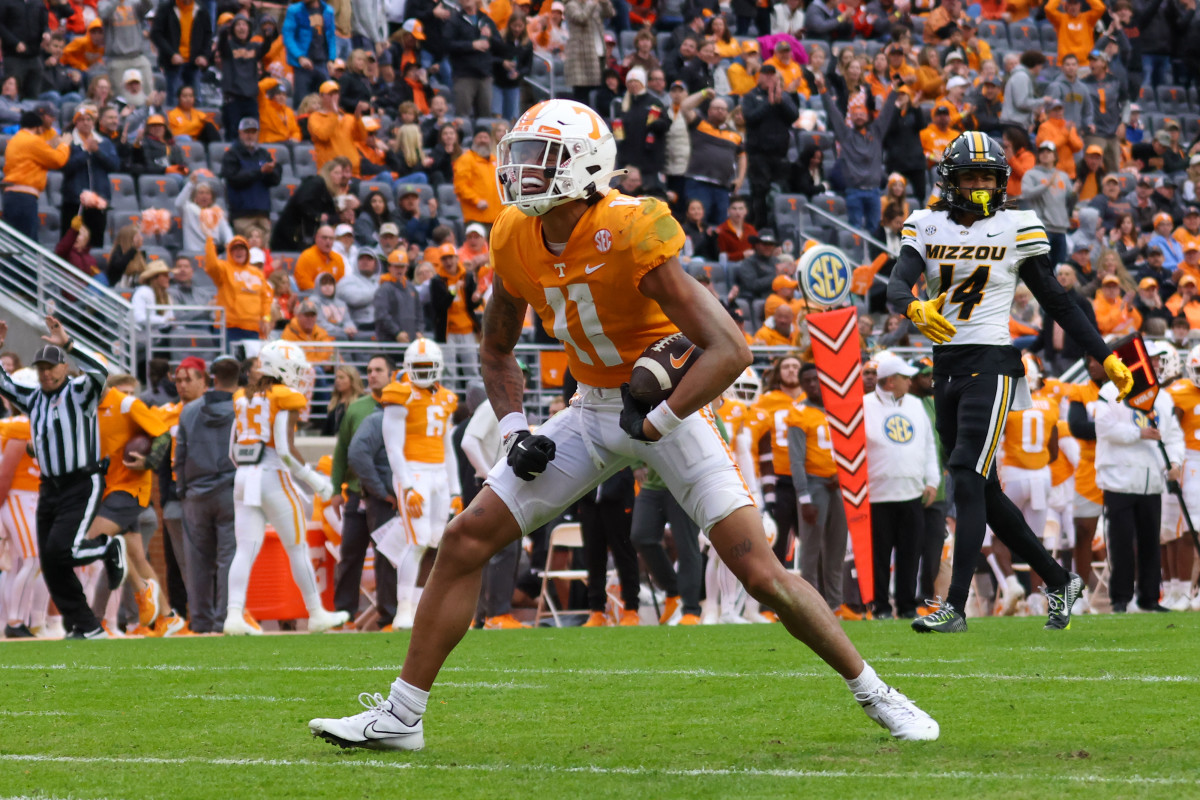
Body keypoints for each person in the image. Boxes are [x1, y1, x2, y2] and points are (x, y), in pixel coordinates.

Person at [311, 99, 938, 750]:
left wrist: (661, 418)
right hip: (588, 410)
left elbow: (730, 348)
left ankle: (877, 692)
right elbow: (496, 350)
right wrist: (515, 427)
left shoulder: (631, 226)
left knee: (761, 573)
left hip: (669, 412)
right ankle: (402, 717)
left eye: (539, 158)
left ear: (583, 166)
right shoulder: (513, 234)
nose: (521, 170)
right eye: (519, 155)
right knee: (466, 538)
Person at [888, 130, 1133, 633]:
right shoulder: (926, 222)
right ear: (949, 181)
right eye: (969, 177)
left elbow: (1057, 302)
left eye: (987, 177)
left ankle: (955, 607)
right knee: (983, 488)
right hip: (946, 367)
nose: (979, 186)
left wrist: (1103, 353)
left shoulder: (1018, 225)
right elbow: (896, 281)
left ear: (1001, 181)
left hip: (994, 362)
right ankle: (1059, 579)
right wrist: (912, 305)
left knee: (963, 472)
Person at [0, 316, 127, 640]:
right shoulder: (34, 397)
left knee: (60, 551)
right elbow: (4, 384)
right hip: (50, 486)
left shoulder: (79, 392)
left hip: (81, 482)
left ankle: (107, 547)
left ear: (63, 367)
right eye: (41, 368)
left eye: (51, 367)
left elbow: (100, 373)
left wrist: (69, 344)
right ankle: (87, 625)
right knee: (50, 560)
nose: (45, 373)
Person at [224, 341, 349, 635]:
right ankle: (316, 613)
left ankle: (233, 615)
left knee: (245, 550)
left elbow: (232, 449)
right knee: (298, 548)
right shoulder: (284, 396)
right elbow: (286, 450)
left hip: (243, 477)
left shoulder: (243, 396)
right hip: (273, 477)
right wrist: (317, 481)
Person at [380, 338, 461, 629]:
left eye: (429, 367)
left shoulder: (446, 397)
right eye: (419, 367)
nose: (424, 372)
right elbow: (393, 448)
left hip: (439, 474)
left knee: (433, 542)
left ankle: (417, 608)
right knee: (416, 543)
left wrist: (455, 490)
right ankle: (403, 610)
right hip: (414, 473)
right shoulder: (400, 394)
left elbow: (448, 446)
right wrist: (407, 485)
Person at [1095, 353, 1182, 613]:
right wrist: (1138, 433)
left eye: (1156, 361)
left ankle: (1150, 597)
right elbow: (1103, 427)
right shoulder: (1110, 391)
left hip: (1151, 479)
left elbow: (1174, 435)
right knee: (1120, 541)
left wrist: (1175, 462)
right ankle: (1121, 598)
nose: (1154, 366)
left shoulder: (1163, 397)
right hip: (1118, 478)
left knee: (1150, 541)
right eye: (1150, 360)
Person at [862, 353, 939, 620]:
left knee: (910, 553)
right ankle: (881, 606)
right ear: (891, 381)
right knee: (879, 555)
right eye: (905, 377)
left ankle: (907, 606)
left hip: (911, 492)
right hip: (877, 494)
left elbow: (929, 444)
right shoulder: (864, 405)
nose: (910, 381)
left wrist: (932, 481)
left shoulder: (916, 405)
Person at [330, 355, 394, 628]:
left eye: (378, 370)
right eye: (368, 370)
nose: (372, 375)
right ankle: (344, 613)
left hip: (390, 497)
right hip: (357, 492)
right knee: (350, 553)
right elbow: (342, 451)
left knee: (387, 555)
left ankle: (389, 614)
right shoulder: (357, 408)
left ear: (392, 374)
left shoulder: (403, 407)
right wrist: (335, 489)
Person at [785, 362, 846, 613]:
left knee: (837, 546)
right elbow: (796, 460)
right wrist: (804, 497)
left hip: (838, 484)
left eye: (815, 379)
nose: (812, 384)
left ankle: (835, 603)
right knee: (810, 548)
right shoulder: (799, 413)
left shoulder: (840, 411)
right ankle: (810, 604)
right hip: (813, 483)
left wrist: (842, 476)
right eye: (807, 380)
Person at [815, 72, 897, 231]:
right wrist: (823, 91)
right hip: (854, 191)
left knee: (875, 229)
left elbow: (887, 112)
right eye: (856, 114)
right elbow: (833, 113)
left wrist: (895, 90)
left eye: (862, 114)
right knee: (855, 230)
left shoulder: (877, 132)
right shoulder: (845, 135)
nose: (859, 117)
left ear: (867, 116)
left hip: (874, 192)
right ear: (851, 118)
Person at [0, 370, 46, 638]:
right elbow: (5, 473)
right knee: (31, 559)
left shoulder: (25, 423)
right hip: (19, 496)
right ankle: (15, 621)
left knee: (19, 563)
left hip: (28, 497)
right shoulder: (20, 425)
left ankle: (13, 619)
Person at [741, 65, 798, 229]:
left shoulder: (784, 96)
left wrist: (780, 102)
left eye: (772, 76)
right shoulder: (751, 96)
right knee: (760, 191)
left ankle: (778, 228)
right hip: (758, 154)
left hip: (779, 154)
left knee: (779, 191)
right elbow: (749, 117)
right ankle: (759, 228)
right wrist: (769, 103)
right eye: (765, 75)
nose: (769, 79)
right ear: (759, 77)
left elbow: (794, 116)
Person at [2, 111, 70, 242]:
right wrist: (64, 145)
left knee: (14, 243)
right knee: (26, 244)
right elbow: (58, 160)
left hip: (11, 196)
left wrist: (51, 144)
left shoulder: (15, 140)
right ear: (38, 127)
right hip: (24, 198)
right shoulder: (33, 141)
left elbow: (36, 153)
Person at [221, 117, 281, 238]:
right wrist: (260, 172)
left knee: (264, 252)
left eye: (253, 132)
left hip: (263, 213)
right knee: (246, 252)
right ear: (240, 133)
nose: (250, 135)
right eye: (247, 132)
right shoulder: (232, 154)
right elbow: (233, 178)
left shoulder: (264, 154)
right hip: (242, 214)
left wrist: (271, 171)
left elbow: (275, 180)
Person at [149, 0, 213, 103]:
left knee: (196, 101)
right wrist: (171, 54)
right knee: (174, 100)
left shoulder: (201, 10)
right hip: (173, 64)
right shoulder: (166, 9)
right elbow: (156, 34)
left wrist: (204, 55)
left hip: (194, 63)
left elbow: (208, 35)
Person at [375, 250, 423, 344]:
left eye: (402, 267)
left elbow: (419, 312)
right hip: (390, 342)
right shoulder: (384, 289)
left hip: (411, 340)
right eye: (396, 266)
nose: (399, 270)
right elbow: (382, 315)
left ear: (406, 268)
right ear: (389, 267)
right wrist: (397, 333)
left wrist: (419, 330)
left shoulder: (411, 288)